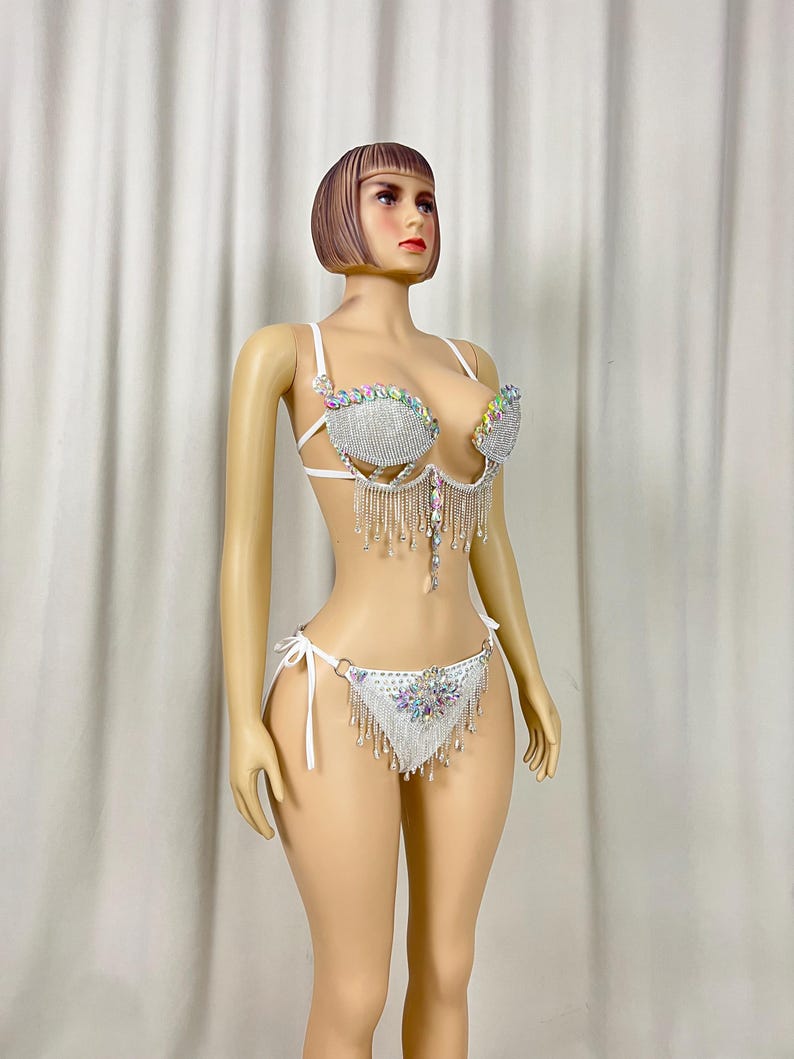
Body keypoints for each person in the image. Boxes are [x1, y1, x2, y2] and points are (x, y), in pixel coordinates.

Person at [220, 142, 561, 1059]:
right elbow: (244, 546)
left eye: (428, 200)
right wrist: (241, 716)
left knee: (449, 966)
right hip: (339, 693)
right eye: (389, 196)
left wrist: (530, 673)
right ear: (341, 210)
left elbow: (490, 535)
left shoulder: (467, 357)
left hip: (475, 685)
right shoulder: (287, 352)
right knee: (356, 984)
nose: (415, 216)